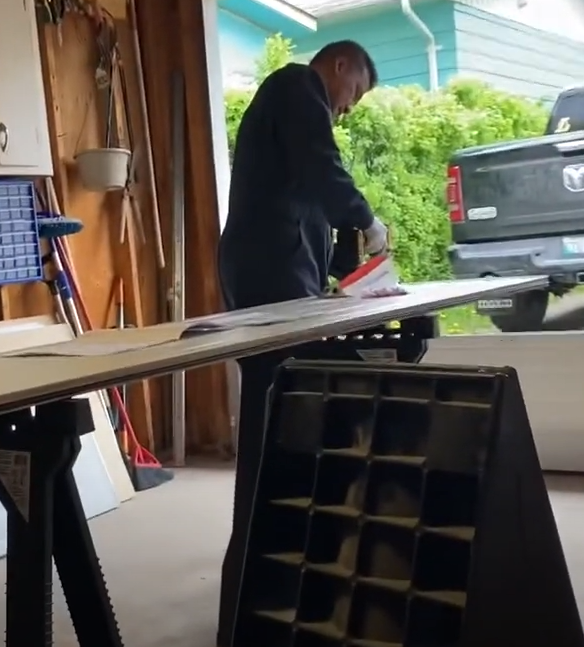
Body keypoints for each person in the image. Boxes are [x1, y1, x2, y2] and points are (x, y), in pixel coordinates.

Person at [215, 40, 387, 647]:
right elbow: (322, 171)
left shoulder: (298, 106)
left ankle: (291, 544)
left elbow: (309, 194)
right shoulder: (296, 87)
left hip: (279, 266)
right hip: (267, 272)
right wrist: (367, 220)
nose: (348, 108)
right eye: (355, 93)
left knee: (292, 399)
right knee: (279, 400)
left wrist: (346, 264)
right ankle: (259, 556)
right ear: (338, 67)